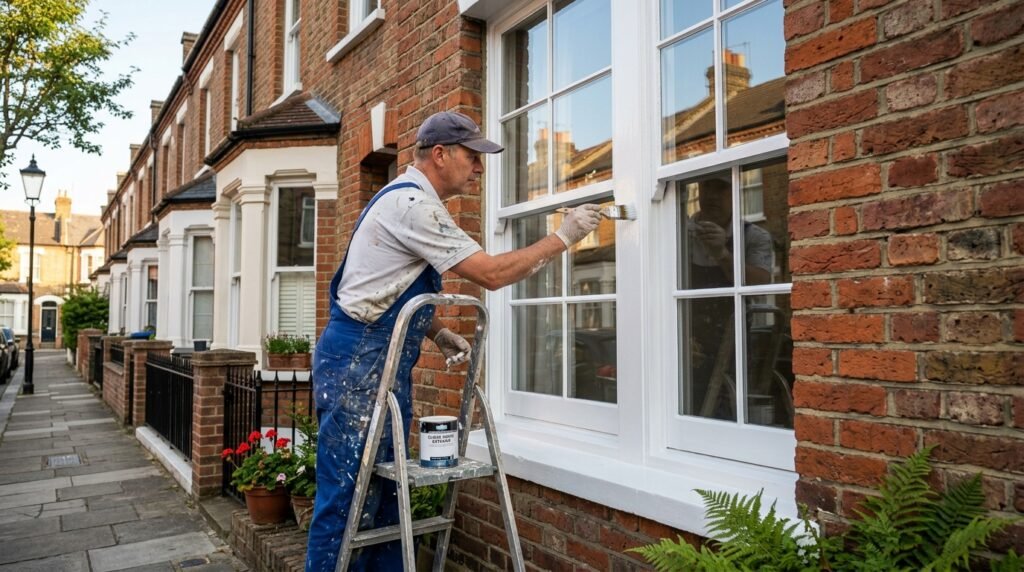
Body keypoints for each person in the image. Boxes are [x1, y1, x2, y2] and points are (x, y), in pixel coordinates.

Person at [305, 110, 602, 572]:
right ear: (440, 154)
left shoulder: (410, 203)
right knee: (345, 498)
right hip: (357, 364)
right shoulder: (412, 206)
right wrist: (563, 238)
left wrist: (438, 331)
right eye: (472, 157)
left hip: (373, 362)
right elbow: (490, 273)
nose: (480, 168)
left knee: (384, 494)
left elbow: (386, 285)